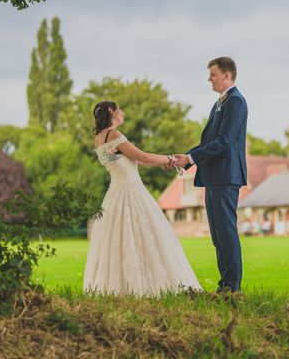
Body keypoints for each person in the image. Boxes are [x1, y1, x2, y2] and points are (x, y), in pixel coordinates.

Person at [83, 101, 202, 296]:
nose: (123, 113)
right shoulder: (113, 135)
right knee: (146, 234)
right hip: (130, 191)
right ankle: (148, 287)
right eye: (120, 109)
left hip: (115, 192)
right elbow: (143, 157)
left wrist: (163, 162)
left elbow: (135, 159)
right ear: (112, 112)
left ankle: (120, 287)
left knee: (119, 238)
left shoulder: (99, 137)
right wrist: (171, 159)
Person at [171, 57, 248, 294]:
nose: (209, 79)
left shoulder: (235, 101)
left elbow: (223, 142)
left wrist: (191, 159)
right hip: (215, 176)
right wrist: (187, 157)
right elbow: (212, 141)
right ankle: (224, 284)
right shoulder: (220, 103)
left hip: (226, 176)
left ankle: (232, 287)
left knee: (226, 231)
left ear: (227, 75)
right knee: (217, 233)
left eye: (213, 74)